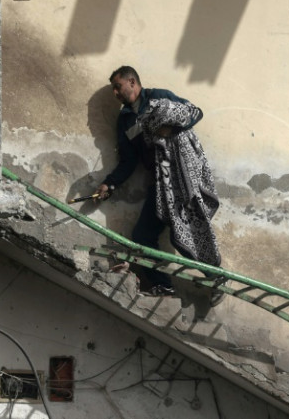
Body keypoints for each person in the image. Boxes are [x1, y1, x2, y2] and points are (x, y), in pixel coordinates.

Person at [95, 66, 221, 297]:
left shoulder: (159, 97)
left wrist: (170, 127)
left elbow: (195, 112)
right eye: (113, 88)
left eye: (118, 86)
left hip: (180, 179)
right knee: (143, 236)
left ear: (132, 82)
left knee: (189, 232)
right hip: (159, 185)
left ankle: (217, 279)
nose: (115, 93)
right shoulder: (124, 120)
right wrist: (110, 184)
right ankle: (163, 286)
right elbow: (128, 160)